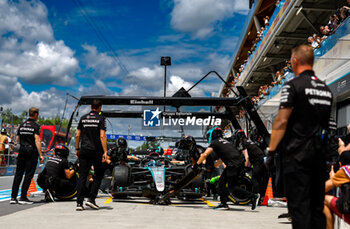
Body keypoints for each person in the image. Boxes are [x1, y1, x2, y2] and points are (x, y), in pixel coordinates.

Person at [268, 44, 333, 228]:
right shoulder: (326, 89)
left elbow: (281, 121)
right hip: (319, 158)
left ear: (295, 61)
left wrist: (271, 151)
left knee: (300, 210)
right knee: (316, 209)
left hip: (298, 157)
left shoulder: (293, 86)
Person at [195, 126, 260, 210]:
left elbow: (204, 154)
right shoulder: (225, 142)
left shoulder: (215, 142)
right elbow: (222, 159)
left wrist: (196, 164)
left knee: (232, 187)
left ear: (211, 135)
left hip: (233, 165)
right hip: (237, 163)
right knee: (222, 182)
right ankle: (224, 203)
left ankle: (253, 196)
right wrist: (214, 167)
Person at [75, 99, 108, 211]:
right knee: (98, 174)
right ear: (100, 107)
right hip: (96, 151)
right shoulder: (101, 118)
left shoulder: (83, 118)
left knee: (82, 176)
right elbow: (102, 136)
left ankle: (79, 203)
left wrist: (77, 148)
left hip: (84, 150)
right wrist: (105, 151)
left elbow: (77, 135)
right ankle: (91, 199)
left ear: (90, 107)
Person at [10, 107, 44, 204]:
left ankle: (13, 197)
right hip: (31, 151)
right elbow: (37, 140)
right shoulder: (36, 126)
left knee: (18, 174)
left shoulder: (22, 125)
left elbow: (17, 140)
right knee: (29, 174)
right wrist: (41, 155)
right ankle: (23, 197)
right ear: (36, 114)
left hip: (22, 150)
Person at [233, 129, 267, 199]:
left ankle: (255, 197)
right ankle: (261, 197)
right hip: (262, 160)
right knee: (260, 179)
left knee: (254, 179)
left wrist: (245, 168)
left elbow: (247, 157)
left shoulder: (242, 143)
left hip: (258, 161)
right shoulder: (249, 141)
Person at [323, 150, 350, 229]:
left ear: (340, 164)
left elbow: (323, 189)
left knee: (321, 199)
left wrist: (333, 178)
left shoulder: (345, 171)